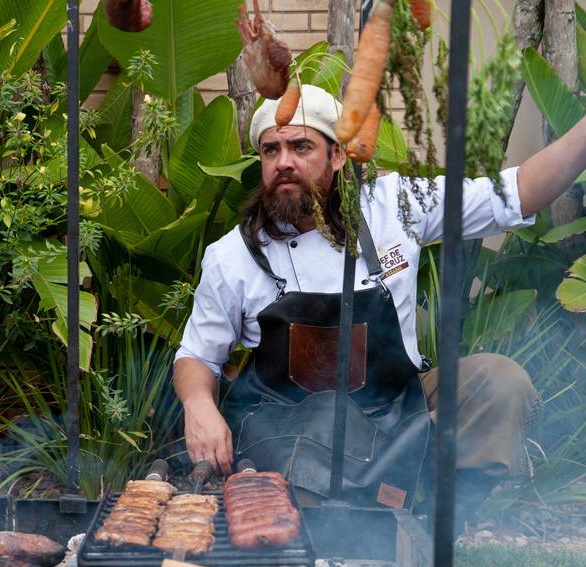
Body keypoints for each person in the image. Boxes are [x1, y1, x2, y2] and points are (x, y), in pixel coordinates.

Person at [173, 84, 586, 523]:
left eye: (301, 146)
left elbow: (517, 192)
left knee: (499, 382)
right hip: (285, 428)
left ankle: (438, 524)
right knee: (319, 518)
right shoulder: (233, 254)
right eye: (271, 151)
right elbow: (198, 356)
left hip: (394, 411)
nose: (284, 162)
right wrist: (198, 407)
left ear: (337, 156)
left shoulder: (396, 206)